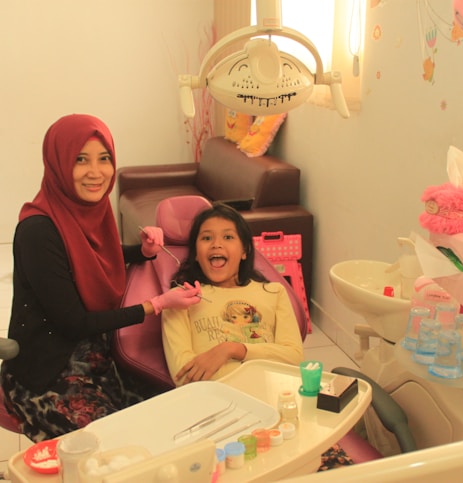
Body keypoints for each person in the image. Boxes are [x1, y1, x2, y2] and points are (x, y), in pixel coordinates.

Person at [0, 114, 201, 442]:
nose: (96, 172)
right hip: (48, 374)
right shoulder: (37, 231)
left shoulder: (88, 212)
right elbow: (74, 323)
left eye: (104, 158)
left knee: (176, 424)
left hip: (101, 357)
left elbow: (92, 256)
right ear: (59, 164)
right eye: (81, 160)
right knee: (119, 446)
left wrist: (143, 252)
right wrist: (157, 304)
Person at [162, 202, 304, 386]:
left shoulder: (274, 292)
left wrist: (232, 350)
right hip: (216, 402)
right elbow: (184, 375)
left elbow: (294, 358)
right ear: (196, 253)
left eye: (228, 237)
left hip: (275, 395)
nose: (216, 245)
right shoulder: (180, 299)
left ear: (244, 250)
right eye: (206, 238)